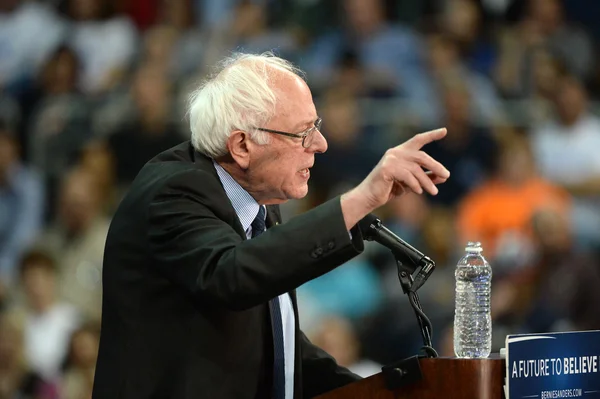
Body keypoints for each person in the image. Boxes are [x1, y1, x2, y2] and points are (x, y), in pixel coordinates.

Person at [92, 52, 450, 399]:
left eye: (317, 127)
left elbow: (281, 352)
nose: (321, 144)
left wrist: (382, 394)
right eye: (302, 133)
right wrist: (361, 199)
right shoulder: (172, 194)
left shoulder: (257, 202)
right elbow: (231, 274)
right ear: (243, 146)